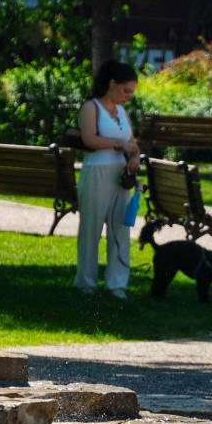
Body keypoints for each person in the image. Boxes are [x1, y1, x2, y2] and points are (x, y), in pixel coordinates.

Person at [75, 60, 140, 298]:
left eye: (131, 92)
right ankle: (86, 282)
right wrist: (117, 144)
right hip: (96, 172)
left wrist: (135, 156)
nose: (128, 96)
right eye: (125, 90)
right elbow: (89, 139)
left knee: (120, 228)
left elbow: (132, 143)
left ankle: (116, 284)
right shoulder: (91, 107)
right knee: (91, 228)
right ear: (112, 84)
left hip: (120, 175)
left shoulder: (123, 112)